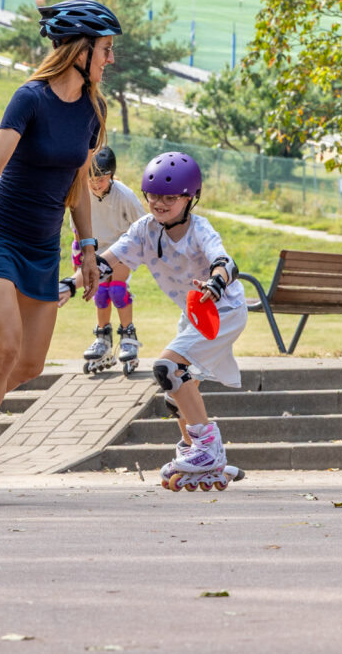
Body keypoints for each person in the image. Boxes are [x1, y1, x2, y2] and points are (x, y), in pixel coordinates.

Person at [0, 0, 122, 483]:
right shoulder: (30, 98)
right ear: (79, 50)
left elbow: (77, 182)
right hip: (1, 240)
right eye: (105, 49)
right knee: (7, 348)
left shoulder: (92, 110)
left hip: (42, 245)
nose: (109, 59)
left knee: (30, 363)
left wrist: (88, 247)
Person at [97, 150, 248, 491]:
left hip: (222, 311)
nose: (159, 204)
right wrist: (69, 283)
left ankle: (207, 450)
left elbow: (224, 261)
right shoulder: (145, 230)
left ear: (190, 197)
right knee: (176, 391)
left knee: (167, 369)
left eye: (169, 197)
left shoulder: (199, 229)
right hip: (193, 315)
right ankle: (199, 452)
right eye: (153, 196)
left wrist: (216, 281)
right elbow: (106, 261)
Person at [58, 145, 145, 373]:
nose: (96, 184)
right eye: (91, 179)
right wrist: (78, 254)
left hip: (122, 249)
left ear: (112, 176)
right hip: (96, 252)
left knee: (117, 289)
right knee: (101, 292)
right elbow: (77, 229)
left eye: (102, 179)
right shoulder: (81, 194)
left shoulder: (124, 195)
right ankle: (103, 338)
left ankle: (128, 336)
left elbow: (143, 226)